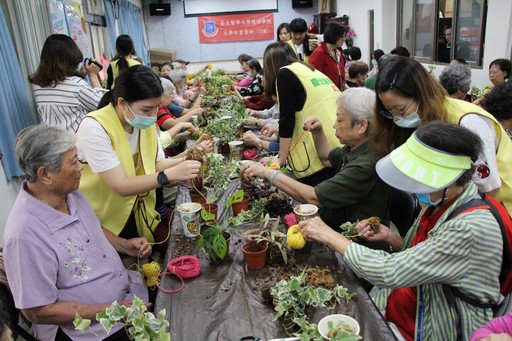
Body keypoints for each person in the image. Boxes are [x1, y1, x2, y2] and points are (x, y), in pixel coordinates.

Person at [300, 121, 503, 341]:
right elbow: (419, 253)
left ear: (449, 178)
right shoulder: (442, 201)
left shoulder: (469, 228)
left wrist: (328, 234)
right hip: (404, 305)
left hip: (433, 326)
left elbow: (389, 271)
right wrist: (390, 237)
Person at [4, 125, 152, 341]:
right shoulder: (25, 235)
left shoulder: (68, 193)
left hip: (126, 297)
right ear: (45, 174)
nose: (81, 167)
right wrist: (111, 311)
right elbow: (36, 311)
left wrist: (122, 244)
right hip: (93, 330)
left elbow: (88, 228)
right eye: (73, 162)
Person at [76, 65, 202, 246]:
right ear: (122, 103)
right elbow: (120, 185)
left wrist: (189, 160)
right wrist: (168, 176)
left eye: (156, 108)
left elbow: (156, 164)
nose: (152, 116)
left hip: (140, 212)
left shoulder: (145, 123)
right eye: (146, 110)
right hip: (106, 221)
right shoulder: (94, 127)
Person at [242, 88, 390, 240]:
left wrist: (268, 173)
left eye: (339, 120)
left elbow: (314, 197)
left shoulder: (365, 164)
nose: (334, 125)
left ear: (362, 126)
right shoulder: (357, 147)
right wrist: (318, 131)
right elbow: (326, 158)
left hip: (354, 245)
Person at [373, 56, 512, 214]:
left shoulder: (467, 121)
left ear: (422, 95)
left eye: (400, 109)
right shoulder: (423, 118)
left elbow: (488, 187)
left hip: (496, 209)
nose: (397, 118)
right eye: (389, 111)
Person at [262, 41, 342, 186]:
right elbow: (303, 114)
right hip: (337, 146)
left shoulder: (285, 73)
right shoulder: (308, 70)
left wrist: (280, 159)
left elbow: (287, 120)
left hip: (318, 159)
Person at [29, 34, 105, 133]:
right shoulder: (76, 85)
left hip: (52, 143)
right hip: (75, 144)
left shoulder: (38, 86)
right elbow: (103, 105)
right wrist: (93, 75)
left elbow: (62, 95)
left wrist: (80, 74)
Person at [308, 23, 347, 90]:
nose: (344, 39)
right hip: (325, 94)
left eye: (344, 37)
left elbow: (342, 79)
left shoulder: (339, 53)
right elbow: (314, 78)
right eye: (342, 37)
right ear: (333, 35)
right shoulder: (319, 53)